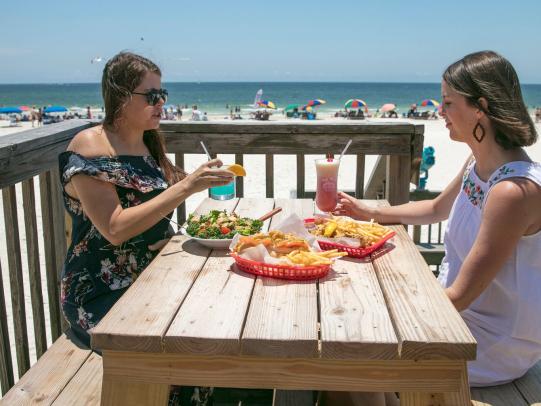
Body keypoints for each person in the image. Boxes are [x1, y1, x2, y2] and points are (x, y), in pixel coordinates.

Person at [327, 51, 541, 405]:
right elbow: (435, 208)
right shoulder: (479, 162)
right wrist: (370, 212)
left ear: (480, 108)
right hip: (462, 316)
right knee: (342, 350)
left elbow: (460, 296)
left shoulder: (513, 192)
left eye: (448, 103)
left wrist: (381, 312)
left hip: (492, 342)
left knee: (348, 355)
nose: (440, 112)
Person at [58, 52, 234, 348]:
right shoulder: (90, 145)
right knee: (185, 342)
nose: (161, 103)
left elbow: (150, 211)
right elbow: (114, 228)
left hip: (152, 275)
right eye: (152, 95)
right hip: (101, 290)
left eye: (162, 94)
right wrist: (188, 186)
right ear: (121, 97)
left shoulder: (145, 142)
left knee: (216, 313)